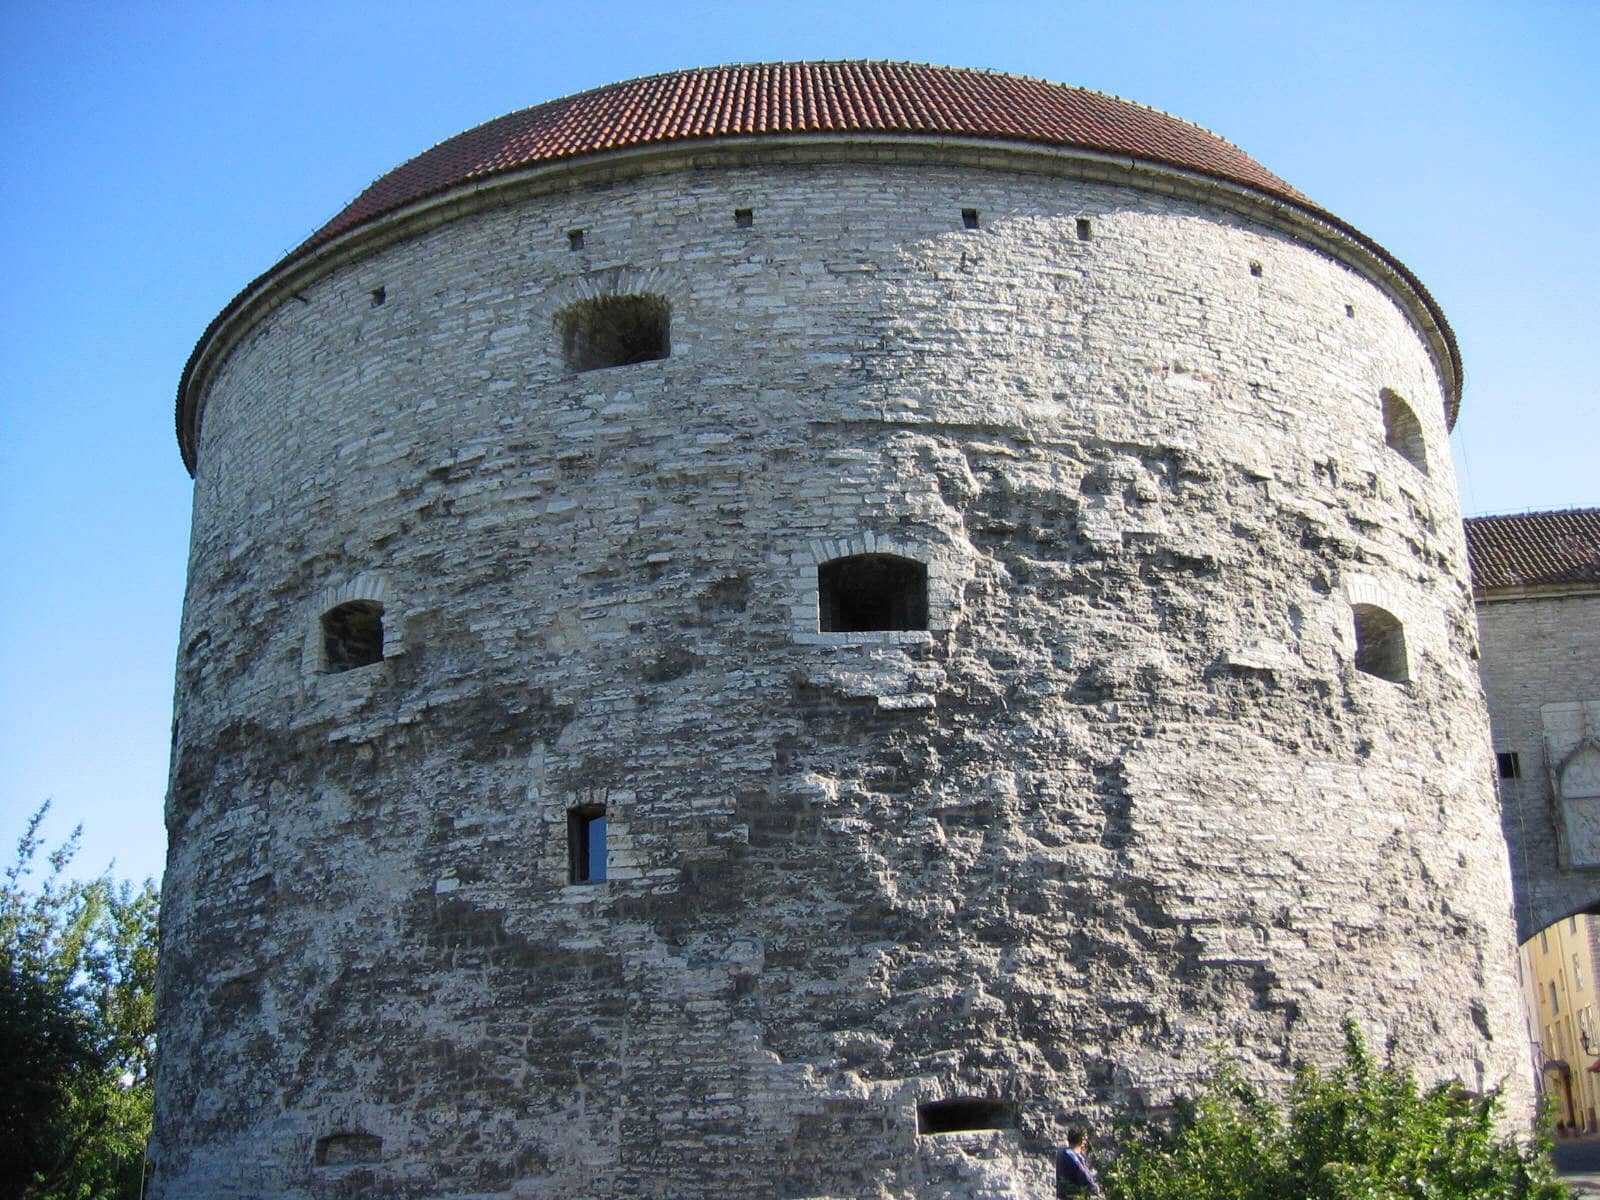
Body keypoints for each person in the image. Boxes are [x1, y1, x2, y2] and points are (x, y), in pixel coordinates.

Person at [1056, 1126, 1102, 1197]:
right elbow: (1083, 1174)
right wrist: (1095, 1188)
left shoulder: (1062, 1152)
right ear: (1082, 1140)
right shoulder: (1072, 1155)